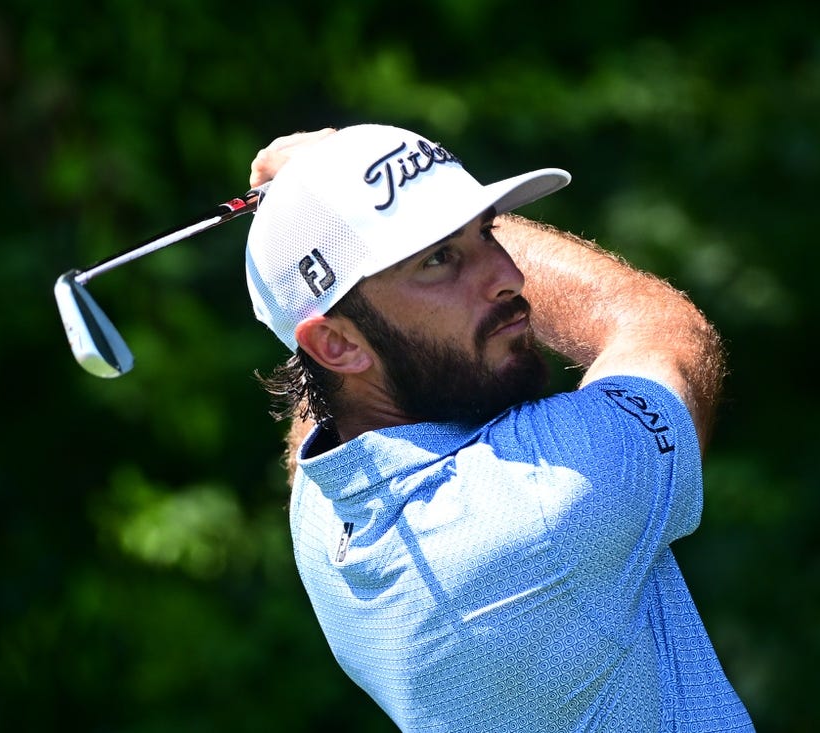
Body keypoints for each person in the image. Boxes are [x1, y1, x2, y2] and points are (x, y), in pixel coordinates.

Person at [244, 123, 755, 732]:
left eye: (487, 230)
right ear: (337, 343)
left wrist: (322, 200)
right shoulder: (540, 501)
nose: (508, 275)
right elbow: (662, 330)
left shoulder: (324, 513)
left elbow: (322, 385)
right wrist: (326, 175)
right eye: (438, 258)